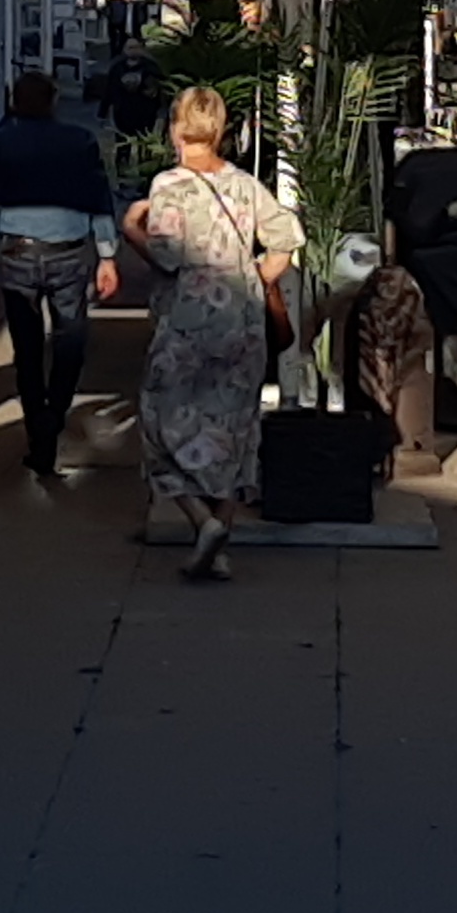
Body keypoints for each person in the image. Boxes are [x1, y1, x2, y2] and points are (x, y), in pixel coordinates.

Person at [122, 82, 301, 581]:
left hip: (187, 320)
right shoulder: (245, 185)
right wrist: (253, 278)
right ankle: (219, 538)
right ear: (220, 129)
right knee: (234, 427)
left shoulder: (169, 187)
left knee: (160, 420)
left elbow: (166, 256)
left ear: (177, 127)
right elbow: (285, 240)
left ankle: (200, 521)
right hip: (242, 321)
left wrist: (131, 226)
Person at [0, 69, 117, 482]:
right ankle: (55, 411)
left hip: (17, 250)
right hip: (68, 252)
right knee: (71, 341)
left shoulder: (1, 143)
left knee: (28, 347)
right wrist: (107, 255)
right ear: (53, 101)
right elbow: (98, 202)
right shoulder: (80, 142)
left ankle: (39, 426)